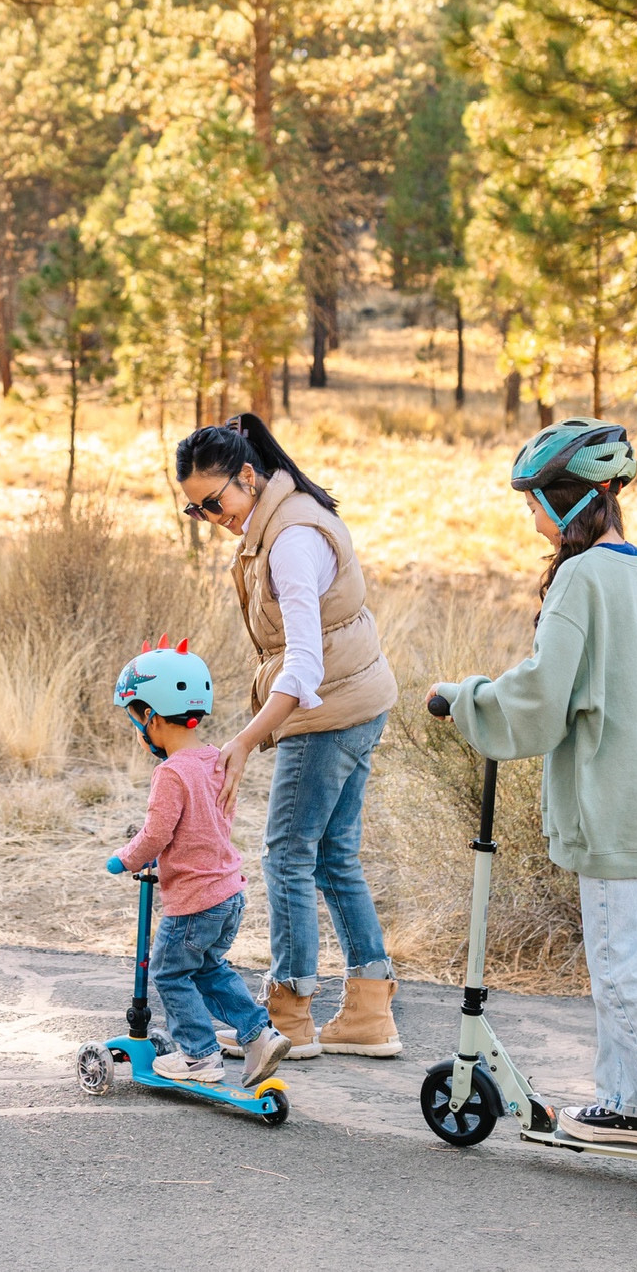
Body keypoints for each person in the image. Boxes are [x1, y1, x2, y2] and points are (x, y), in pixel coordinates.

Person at [427, 418, 637, 1212]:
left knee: (623, 973)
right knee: (628, 960)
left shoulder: (580, 578)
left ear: (570, 502)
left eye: (536, 502)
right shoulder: (632, 566)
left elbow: (541, 699)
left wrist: (465, 698)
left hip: (615, 799)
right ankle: (630, 1102)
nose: (531, 517)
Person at [176, 413, 400, 1059]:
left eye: (214, 502)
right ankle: (369, 1013)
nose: (211, 518)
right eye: (196, 510)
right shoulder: (282, 517)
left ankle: (291, 1015)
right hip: (361, 697)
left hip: (328, 712)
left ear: (248, 477)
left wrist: (245, 740)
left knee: (287, 855)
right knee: (333, 855)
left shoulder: (292, 540)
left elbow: (304, 666)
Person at [108, 636, 291, 1088]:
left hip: (193, 903)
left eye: (135, 718)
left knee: (170, 973)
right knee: (208, 969)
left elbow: (157, 833)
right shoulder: (218, 759)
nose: (137, 730)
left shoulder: (170, 773)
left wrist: (125, 859)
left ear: (151, 717)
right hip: (229, 894)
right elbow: (202, 826)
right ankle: (259, 1034)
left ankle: (198, 1056)